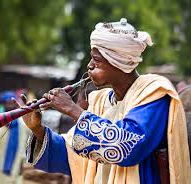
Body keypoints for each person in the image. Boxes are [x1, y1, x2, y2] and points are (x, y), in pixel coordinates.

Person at [14, 18, 191, 184]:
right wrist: (37, 129)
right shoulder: (101, 100)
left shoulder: (153, 92)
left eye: (97, 60)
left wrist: (72, 109)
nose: (90, 65)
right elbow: (74, 156)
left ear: (118, 62)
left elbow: (126, 146)